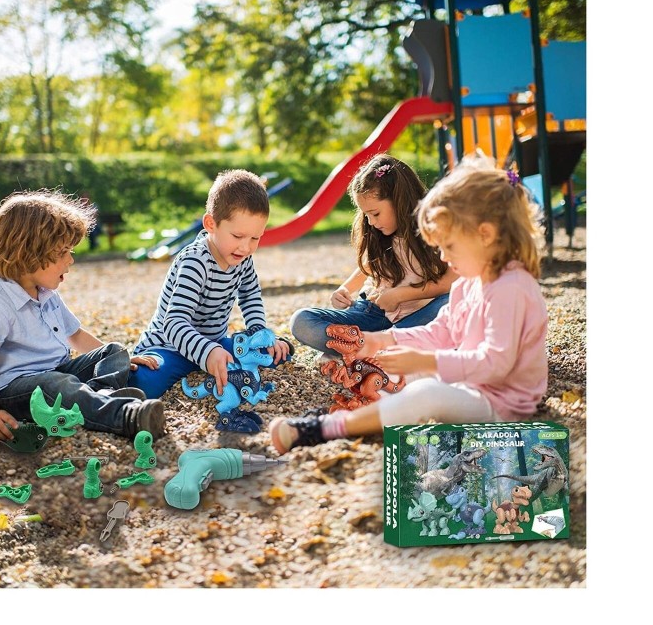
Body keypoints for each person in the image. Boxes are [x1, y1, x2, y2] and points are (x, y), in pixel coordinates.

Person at [269, 155, 548, 454]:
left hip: (501, 402)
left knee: (426, 392)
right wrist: (384, 340)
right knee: (393, 373)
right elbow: (442, 331)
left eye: (449, 246)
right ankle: (364, 412)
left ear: (485, 235)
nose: (443, 257)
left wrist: (426, 362)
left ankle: (327, 428)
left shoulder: (510, 288)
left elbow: (495, 364)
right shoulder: (469, 282)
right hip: (469, 384)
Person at [0, 189, 165, 443]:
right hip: (14, 392)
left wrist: (121, 358)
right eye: (62, 252)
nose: (70, 260)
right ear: (27, 253)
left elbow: (75, 335)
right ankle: (125, 415)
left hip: (57, 374)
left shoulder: (46, 293)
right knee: (57, 385)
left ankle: (100, 397)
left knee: (114, 351)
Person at [129, 169, 291, 398]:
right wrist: (207, 352)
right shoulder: (195, 261)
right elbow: (174, 323)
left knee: (273, 353)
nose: (246, 247)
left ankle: (213, 359)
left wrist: (258, 332)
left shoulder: (242, 258)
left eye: (255, 238)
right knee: (143, 383)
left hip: (214, 344)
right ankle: (199, 362)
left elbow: (250, 295)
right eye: (238, 236)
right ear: (210, 224)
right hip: (169, 348)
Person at [290, 154, 455, 358]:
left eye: (375, 214)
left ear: (399, 200)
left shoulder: (436, 228)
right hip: (371, 313)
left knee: (453, 302)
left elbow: (450, 282)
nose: (371, 222)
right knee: (302, 321)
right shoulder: (379, 233)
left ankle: (369, 347)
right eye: (366, 215)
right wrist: (345, 289)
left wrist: (400, 295)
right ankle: (378, 348)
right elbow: (370, 265)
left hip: (417, 316)